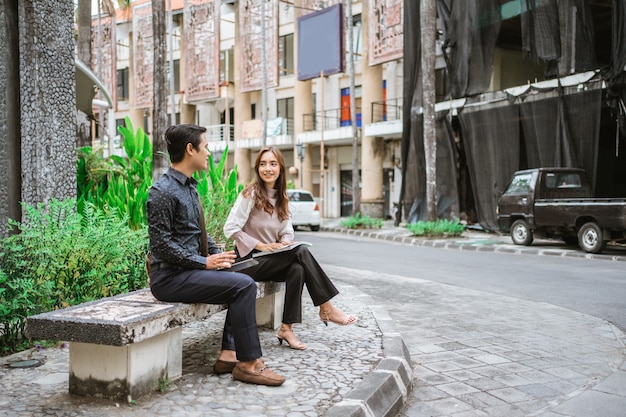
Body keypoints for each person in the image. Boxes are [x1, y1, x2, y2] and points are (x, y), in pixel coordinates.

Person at [146, 124, 285, 386]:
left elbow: (197, 233)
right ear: (190, 149)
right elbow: (161, 246)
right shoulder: (162, 191)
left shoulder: (189, 187)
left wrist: (219, 255)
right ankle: (248, 364)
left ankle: (229, 353)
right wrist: (204, 262)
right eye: (206, 146)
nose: (209, 153)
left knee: (244, 273)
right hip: (169, 278)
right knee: (243, 287)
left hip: (190, 271)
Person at [224, 146, 357, 351]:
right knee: (301, 252)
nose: (267, 168)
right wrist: (261, 245)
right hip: (248, 261)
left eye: (273, 164)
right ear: (257, 168)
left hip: (271, 260)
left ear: (281, 168)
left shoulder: (282, 198)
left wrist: (285, 241)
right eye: (263, 164)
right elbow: (230, 228)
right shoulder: (250, 194)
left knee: (298, 268)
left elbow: (287, 230)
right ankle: (326, 308)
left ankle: (286, 328)